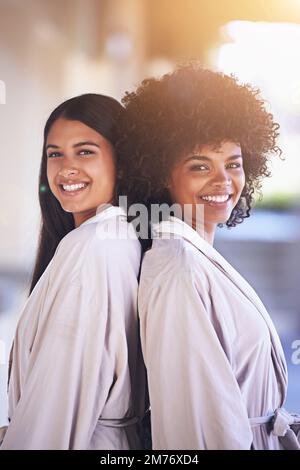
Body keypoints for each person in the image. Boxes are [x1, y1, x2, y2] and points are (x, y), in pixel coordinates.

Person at [116, 65, 300, 450]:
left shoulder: (198, 257)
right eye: (200, 166)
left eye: (233, 163)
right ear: (161, 174)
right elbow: (195, 428)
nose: (223, 181)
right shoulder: (179, 267)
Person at [0, 94, 145, 450]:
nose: (66, 169)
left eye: (85, 152)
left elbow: (55, 409)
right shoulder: (115, 236)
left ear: (122, 162)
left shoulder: (92, 248)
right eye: (55, 154)